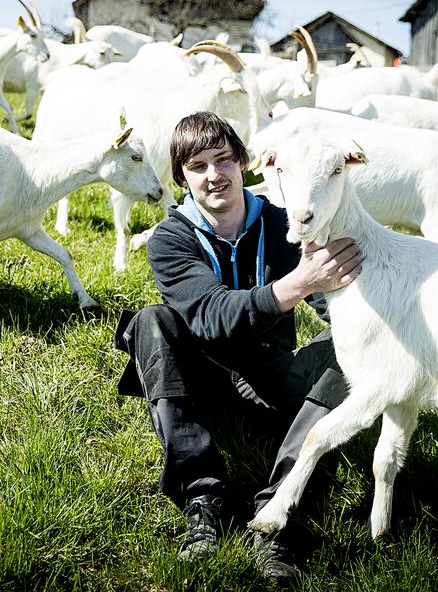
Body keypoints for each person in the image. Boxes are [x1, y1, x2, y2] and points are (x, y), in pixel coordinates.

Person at [114, 111, 364, 583]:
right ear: (182, 178)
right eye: (198, 166)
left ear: (244, 163)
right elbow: (211, 315)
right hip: (200, 377)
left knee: (349, 347)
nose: (214, 176)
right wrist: (296, 284)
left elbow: (332, 304)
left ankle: (278, 517)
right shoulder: (170, 239)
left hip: (270, 373)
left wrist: (370, 328)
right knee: (151, 321)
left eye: (223, 160)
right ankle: (203, 498)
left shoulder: (283, 224)